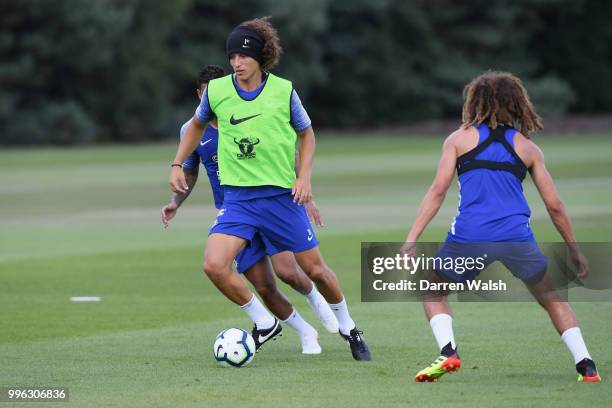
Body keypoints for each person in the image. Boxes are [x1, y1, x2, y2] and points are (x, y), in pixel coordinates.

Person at [169, 18, 370, 360]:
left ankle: (350, 327)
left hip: (280, 198)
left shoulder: (283, 90)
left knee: (315, 270)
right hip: (238, 201)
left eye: (243, 57)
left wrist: (304, 178)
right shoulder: (217, 91)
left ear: (260, 58)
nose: (237, 63)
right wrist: (177, 163)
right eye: (232, 56)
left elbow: (307, 134)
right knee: (214, 266)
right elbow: (195, 126)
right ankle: (265, 322)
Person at [402, 71, 600, 382]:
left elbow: (438, 190)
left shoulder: (458, 139)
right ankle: (586, 365)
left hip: (470, 236)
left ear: (475, 102)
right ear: (517, 104)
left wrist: (412, 237)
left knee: (432, 289)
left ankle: (449, 352)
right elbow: (555, 206)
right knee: (552, 298)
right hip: (516, 237)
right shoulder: (528, 149)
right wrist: (575, 251)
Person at [162, 65, 339, 354]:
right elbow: (191, 171)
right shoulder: (191, 130)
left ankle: (318, 300)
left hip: (269, 203)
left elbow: (289, 152)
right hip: (234, 212)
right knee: (264, 286)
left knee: (288, 271)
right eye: (207, 93)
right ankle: (305, 332)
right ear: (199, 94)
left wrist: (307, 196)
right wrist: (175, 202)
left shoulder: (249, 117)